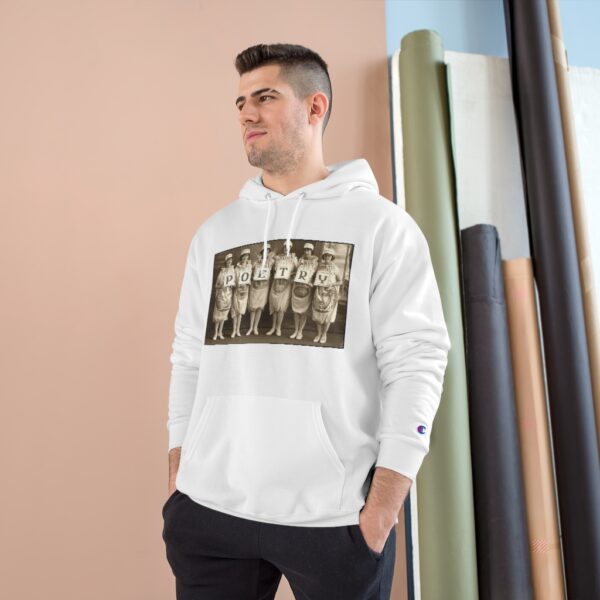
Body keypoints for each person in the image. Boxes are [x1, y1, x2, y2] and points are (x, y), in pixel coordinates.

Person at [162, 43, 451, 600]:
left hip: (333, 517)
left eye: (265, 97)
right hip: (210, 510)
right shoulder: (216, 233)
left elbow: (417, 362)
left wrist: (384, 506)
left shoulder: (382, 227)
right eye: (241, 102)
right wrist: (180, 471)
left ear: (315, 107)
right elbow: (188, 356)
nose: (246, 114)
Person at [289, 241, 319, 340]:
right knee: (295, 311)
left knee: (303, 311)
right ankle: (295, 330)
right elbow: (295, 271)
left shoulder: (315, 263)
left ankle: (300, 331)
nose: (307, 252)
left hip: (307, 288)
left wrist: (312, 283)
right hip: (297, 286)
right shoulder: (300, 260)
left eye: (309, 250)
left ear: (311, 251)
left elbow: (316, 276)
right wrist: (293, 277)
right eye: (305, 250)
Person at [246, 243, 274, 336]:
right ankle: (250, 327)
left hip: (264, 287)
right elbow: (250, 271)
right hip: (255, 287)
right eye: (265, 251)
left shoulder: (271, 262)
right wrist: (257, 262)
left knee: (260, 307)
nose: (266, 252)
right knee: (253, 307)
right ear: (262, 252)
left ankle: (255, 327)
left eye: (268, 251)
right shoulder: (255, 262)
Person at [210, 252, 234, 341]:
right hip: (220, 296)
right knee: (218, 316)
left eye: (231, 260)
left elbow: (233, 283)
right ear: (226, 262)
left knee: (224, 316)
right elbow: (216, 285)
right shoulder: (222, 272)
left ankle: (220, 332)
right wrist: (221, 285)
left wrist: (231, 285)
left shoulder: (232, 271)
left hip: (228, 296)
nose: (229, 262)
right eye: (228, 261)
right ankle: (215, 333)